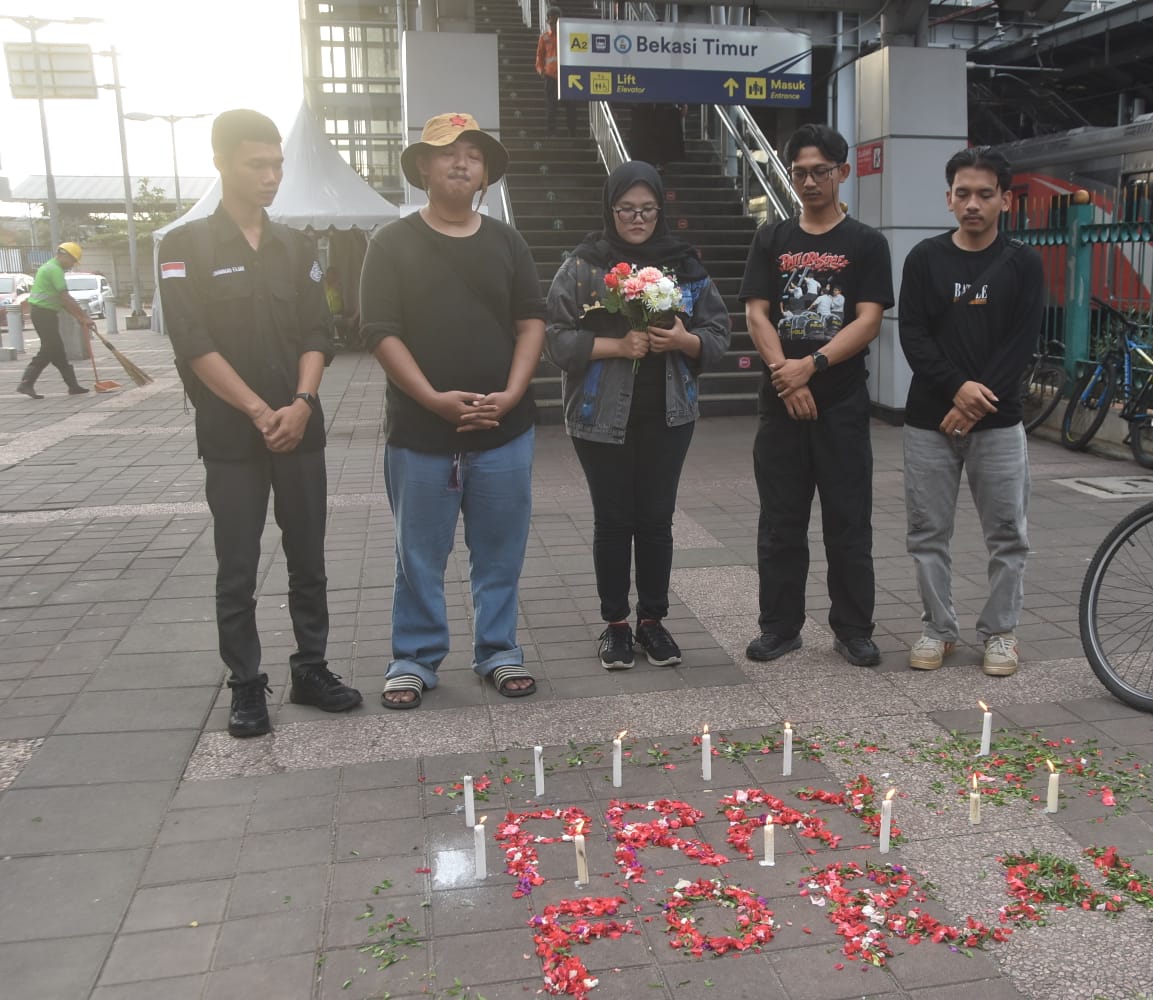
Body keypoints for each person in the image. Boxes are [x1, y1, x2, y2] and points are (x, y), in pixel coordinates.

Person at [159, 109, 362, 738]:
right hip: (232, 436)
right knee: (238, 566)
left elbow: (316, 332)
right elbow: (192, 340)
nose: (272, 175)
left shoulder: (296, 247)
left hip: (300, 429)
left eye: (277, 163)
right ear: (221, 162)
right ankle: (247, 685)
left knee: (309, 557)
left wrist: (301, 404)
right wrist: (258, 411)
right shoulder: (184, 247)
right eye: (258, 164)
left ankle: (311, 669)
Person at [360, 112, 545, 709]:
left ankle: (498, 651)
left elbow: (530, 324)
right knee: (418, 555)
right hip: (421, 431)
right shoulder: (391, 243)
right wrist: (434, 400)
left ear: (485, 173)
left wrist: (514, 394)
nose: (461, 162)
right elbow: (381, 332)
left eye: (473, 154)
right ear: (422, 167)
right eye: (446, 152)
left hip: (504, 429)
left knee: (500, 551)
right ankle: (414, 657)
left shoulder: (507, 242)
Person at [544, 161, 731, 669]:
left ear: (660, 210)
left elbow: (718, 333)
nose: (637, 218)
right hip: (599, 416)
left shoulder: (684, 266)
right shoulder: (585, 266)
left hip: (669, 416)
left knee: (655, 520)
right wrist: (615, 344)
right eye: (627, 209)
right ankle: (616, 626)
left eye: (647, 209)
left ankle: (653, 621)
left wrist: (683, 340)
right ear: (610, 208)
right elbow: (555, 339)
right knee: (613, 521)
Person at [739, 123, 894, 668]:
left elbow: (868, 319)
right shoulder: (772, 239)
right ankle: (780, 627)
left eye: (820, 172)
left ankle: (854, 629)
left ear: (842, 172)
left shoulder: (866, 243)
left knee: (848, 521)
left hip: (843, 405)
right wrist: (786, 374)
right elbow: (756, 311)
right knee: (781, 522)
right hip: (780, 404)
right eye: (800, 172)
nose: (809, 181)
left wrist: (813, 365)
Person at [897, 146, 1043, 676]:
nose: (973, 204)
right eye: (963, 194)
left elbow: (1020, 343)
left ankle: (1000, 632)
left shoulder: (1023, 263)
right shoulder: (924, 259)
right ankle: (938, 629)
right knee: (926, 532)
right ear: (948, 198)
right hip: (928, 421)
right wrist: (958, 388)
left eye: (985, 194)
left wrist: (976, 404)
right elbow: (912, 335)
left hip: (999, 423)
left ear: (1005, 199)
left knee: (1008, 533)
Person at [16, 242, 95, 398]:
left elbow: (61, 300)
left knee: (57, 352)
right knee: (49, 349)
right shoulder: (54, 270)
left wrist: (79, 318)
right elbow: (65, 297)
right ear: (65, 255)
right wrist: (83, 317)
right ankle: (26, 383)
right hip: (43, 314)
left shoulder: (50, 267)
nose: (72, 265)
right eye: (72, 261)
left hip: (45, 313)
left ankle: (73, 386)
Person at [536, 8, 579, 136]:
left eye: (555, 21)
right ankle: (551, 132)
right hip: (551, 76)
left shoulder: (570, 35)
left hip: (568, 77)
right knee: (551, 106)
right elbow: (539, 56)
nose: (553, 24)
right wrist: (541, 71)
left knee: (571, 106)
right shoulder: (544, 38)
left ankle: (572, 132)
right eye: (551, 22)